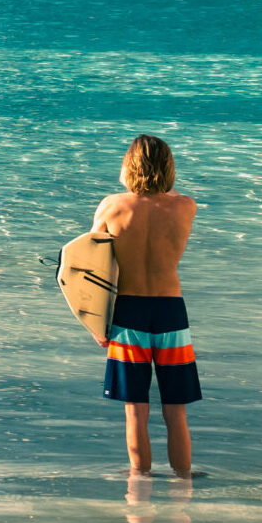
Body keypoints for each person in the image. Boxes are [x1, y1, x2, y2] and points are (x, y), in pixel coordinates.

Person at [90, 134, 199, 476]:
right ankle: (184, 484)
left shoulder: (112, 206)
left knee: (136, 410)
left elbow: (88, 267)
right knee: (175, 410)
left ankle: (139, 484)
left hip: (128, 313)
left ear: (128, 166)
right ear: (169, 167)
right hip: (170, 311)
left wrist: (95, 323)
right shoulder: (185, 206)